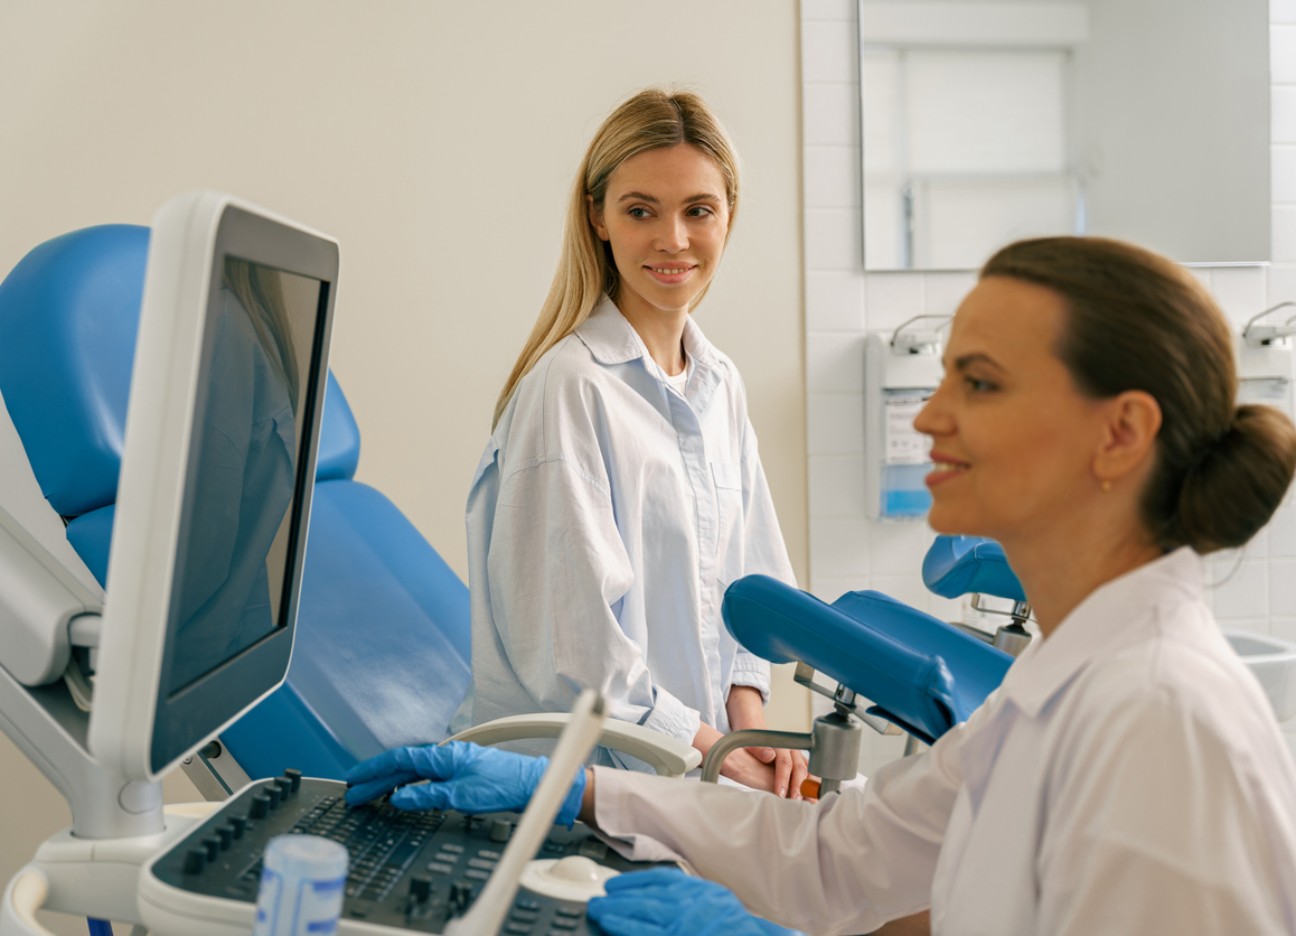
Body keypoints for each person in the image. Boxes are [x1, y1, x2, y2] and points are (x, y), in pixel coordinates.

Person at [350, 236, 1296, 934]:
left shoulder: (1163, 722)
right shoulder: (1059, 686)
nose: (927, 415)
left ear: (1120, 433)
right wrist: (584, 794)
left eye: (980, 383)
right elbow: (835, 857)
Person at [452, 88, 808, 797]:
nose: (673, 239)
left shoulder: (720, 385)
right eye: (641, 210)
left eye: (697, 211)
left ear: (728, 216)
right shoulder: (570, 389)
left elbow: (752, 590)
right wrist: (718, 755)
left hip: (687, 766)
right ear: (599, 219)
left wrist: (746, 732)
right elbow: (580, 658)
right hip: (590, 783)